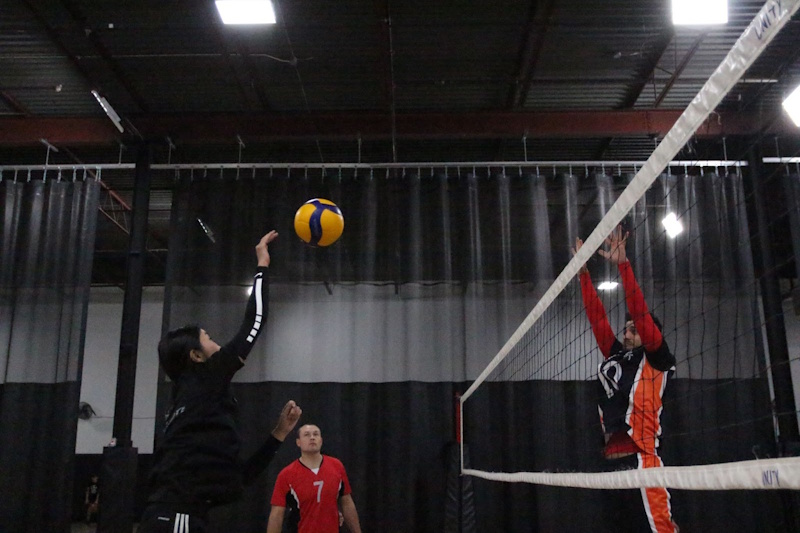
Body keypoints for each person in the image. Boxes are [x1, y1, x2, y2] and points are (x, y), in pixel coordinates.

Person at [139, 230, 303, 533]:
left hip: (175, 516)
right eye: (209, 339)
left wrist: (279, 434)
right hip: (177, 518)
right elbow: (255, 321)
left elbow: (240, 477)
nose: (217, 343)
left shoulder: (194, 402)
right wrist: (262, 266)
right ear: (196, 356)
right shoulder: (203, 381)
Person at [574, 225, 678, 533]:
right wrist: (582, 274)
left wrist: (623, 265)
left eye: (633, 329)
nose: (627, 331)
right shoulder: (616, 355)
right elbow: (597, 318)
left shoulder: (656, 356)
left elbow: (640, 313)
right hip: (612, 461)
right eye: (626, 328)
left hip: (641, 460)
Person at [267, 424, 362, 533]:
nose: (312, 437)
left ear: (321, 440)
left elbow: (347, 502)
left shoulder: (336, 466)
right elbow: (276, 515)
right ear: (298, 442)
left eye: (315, 434)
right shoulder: (286, 475)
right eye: (307, 435)